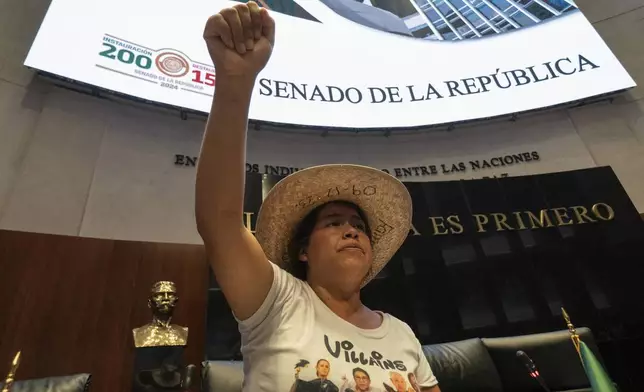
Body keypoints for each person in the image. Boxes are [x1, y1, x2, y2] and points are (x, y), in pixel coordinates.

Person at [195, 2, 440, 391]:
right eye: (334, 223)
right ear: (304, 250)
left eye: (359, 226)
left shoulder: (401, 334)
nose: (352, 231)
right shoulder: (275, 302)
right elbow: (219, 221)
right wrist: (234, 81)